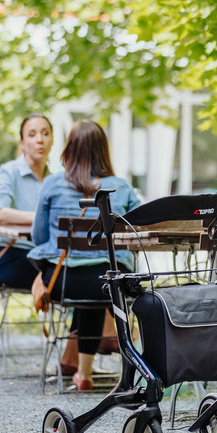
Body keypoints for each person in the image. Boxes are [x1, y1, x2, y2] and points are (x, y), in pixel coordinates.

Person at [28, 120, 140, 391]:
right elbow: (138, 230)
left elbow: (39, 236)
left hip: (63, 281)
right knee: (98, 281)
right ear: (104, 150)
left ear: (69, 148)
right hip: (108, 285)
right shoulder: (121, 187)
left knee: (87, 286)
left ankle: (82, 373)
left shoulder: (53, 184)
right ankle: (86, 372)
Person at [0, 113, 53, 289]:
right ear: (22, 143)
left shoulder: (56, 178)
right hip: (12, 255)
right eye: (32, 134)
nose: (40, 140)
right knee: (72, 276)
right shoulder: (9, 172)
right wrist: (38, 218)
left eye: (45, 133)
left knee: (92, 273)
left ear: (52, 140)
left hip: (45, 255)